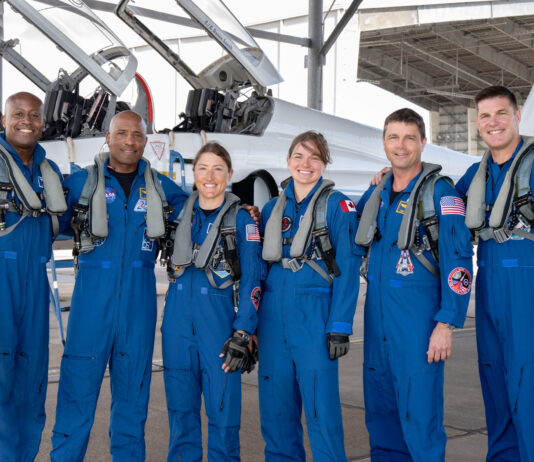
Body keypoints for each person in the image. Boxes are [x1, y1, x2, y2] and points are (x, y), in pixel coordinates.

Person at [50, 110, 188, 461]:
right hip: (90, 307)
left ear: (145, 141)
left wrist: (244, 211)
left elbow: (202, 211)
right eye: (122, 134)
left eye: (137, 135)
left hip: (138, 308)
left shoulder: (160, 187)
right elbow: (46, 221)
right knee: (75, 401)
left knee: (132, 405)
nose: (130, 141)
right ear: (108, 138)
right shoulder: (82, 183)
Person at [356, 108, 473, 461]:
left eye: (409, 138)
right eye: (394, 137)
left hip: (418, 327)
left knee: (420, 424)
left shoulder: (441, 194)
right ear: (384, 142)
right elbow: (347, 230)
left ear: (423, 142)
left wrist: (446, 322)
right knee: (381, 422)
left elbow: (459, 262)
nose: (401, 145)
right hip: (378, 327)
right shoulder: (376, 194)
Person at [258, 131, 362, 461]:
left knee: (322, 416)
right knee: (276, 418)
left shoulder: (338, 206)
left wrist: (340, 325)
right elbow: (258, 270)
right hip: (272, 320)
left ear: (324, 164)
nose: (306, 164)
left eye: (315, 158)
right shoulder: (271, 209)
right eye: (299, 157)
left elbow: (347, 267)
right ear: (288, 162)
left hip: (315, 320)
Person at [161, 142, 264, 462]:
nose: (210, 176)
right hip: (176, 326)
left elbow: (252, 281)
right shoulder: (179, 214)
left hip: (218, 327)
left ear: (229, 175)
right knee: (181, 417)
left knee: (223, 418)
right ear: (194, 174)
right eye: (203, 168)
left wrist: (243, 333)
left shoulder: (242, 221)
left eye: (218, 169)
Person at [456, 86, 534, 461]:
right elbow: (436, 212)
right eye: (485, 116)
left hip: (527, 290)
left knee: (528, 389)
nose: (493, 122)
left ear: (517, 116)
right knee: (497, 385)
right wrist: (391, 176)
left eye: (500, 113)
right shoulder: (475, 175)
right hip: (488, 289)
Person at [0, 92, 65, 462]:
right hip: (1, 285)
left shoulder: (49, 171)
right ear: (4, 118)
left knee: (32, 379)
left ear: (43, 121)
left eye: (34, 115)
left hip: (35, 286)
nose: (26, 121)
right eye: (18, 114)